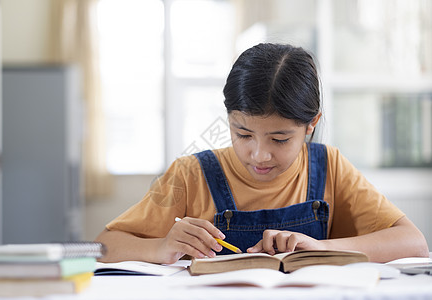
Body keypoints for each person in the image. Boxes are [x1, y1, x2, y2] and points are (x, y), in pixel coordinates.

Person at [95, 43, 429, 264]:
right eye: (242, 134)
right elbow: (103, 247)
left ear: (311, 124)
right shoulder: (190, 174)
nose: (259, 155)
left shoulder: (329, 167)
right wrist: (160, 247)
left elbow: (413, 244)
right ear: (228, 118)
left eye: (280, 139)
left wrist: (321, 248)